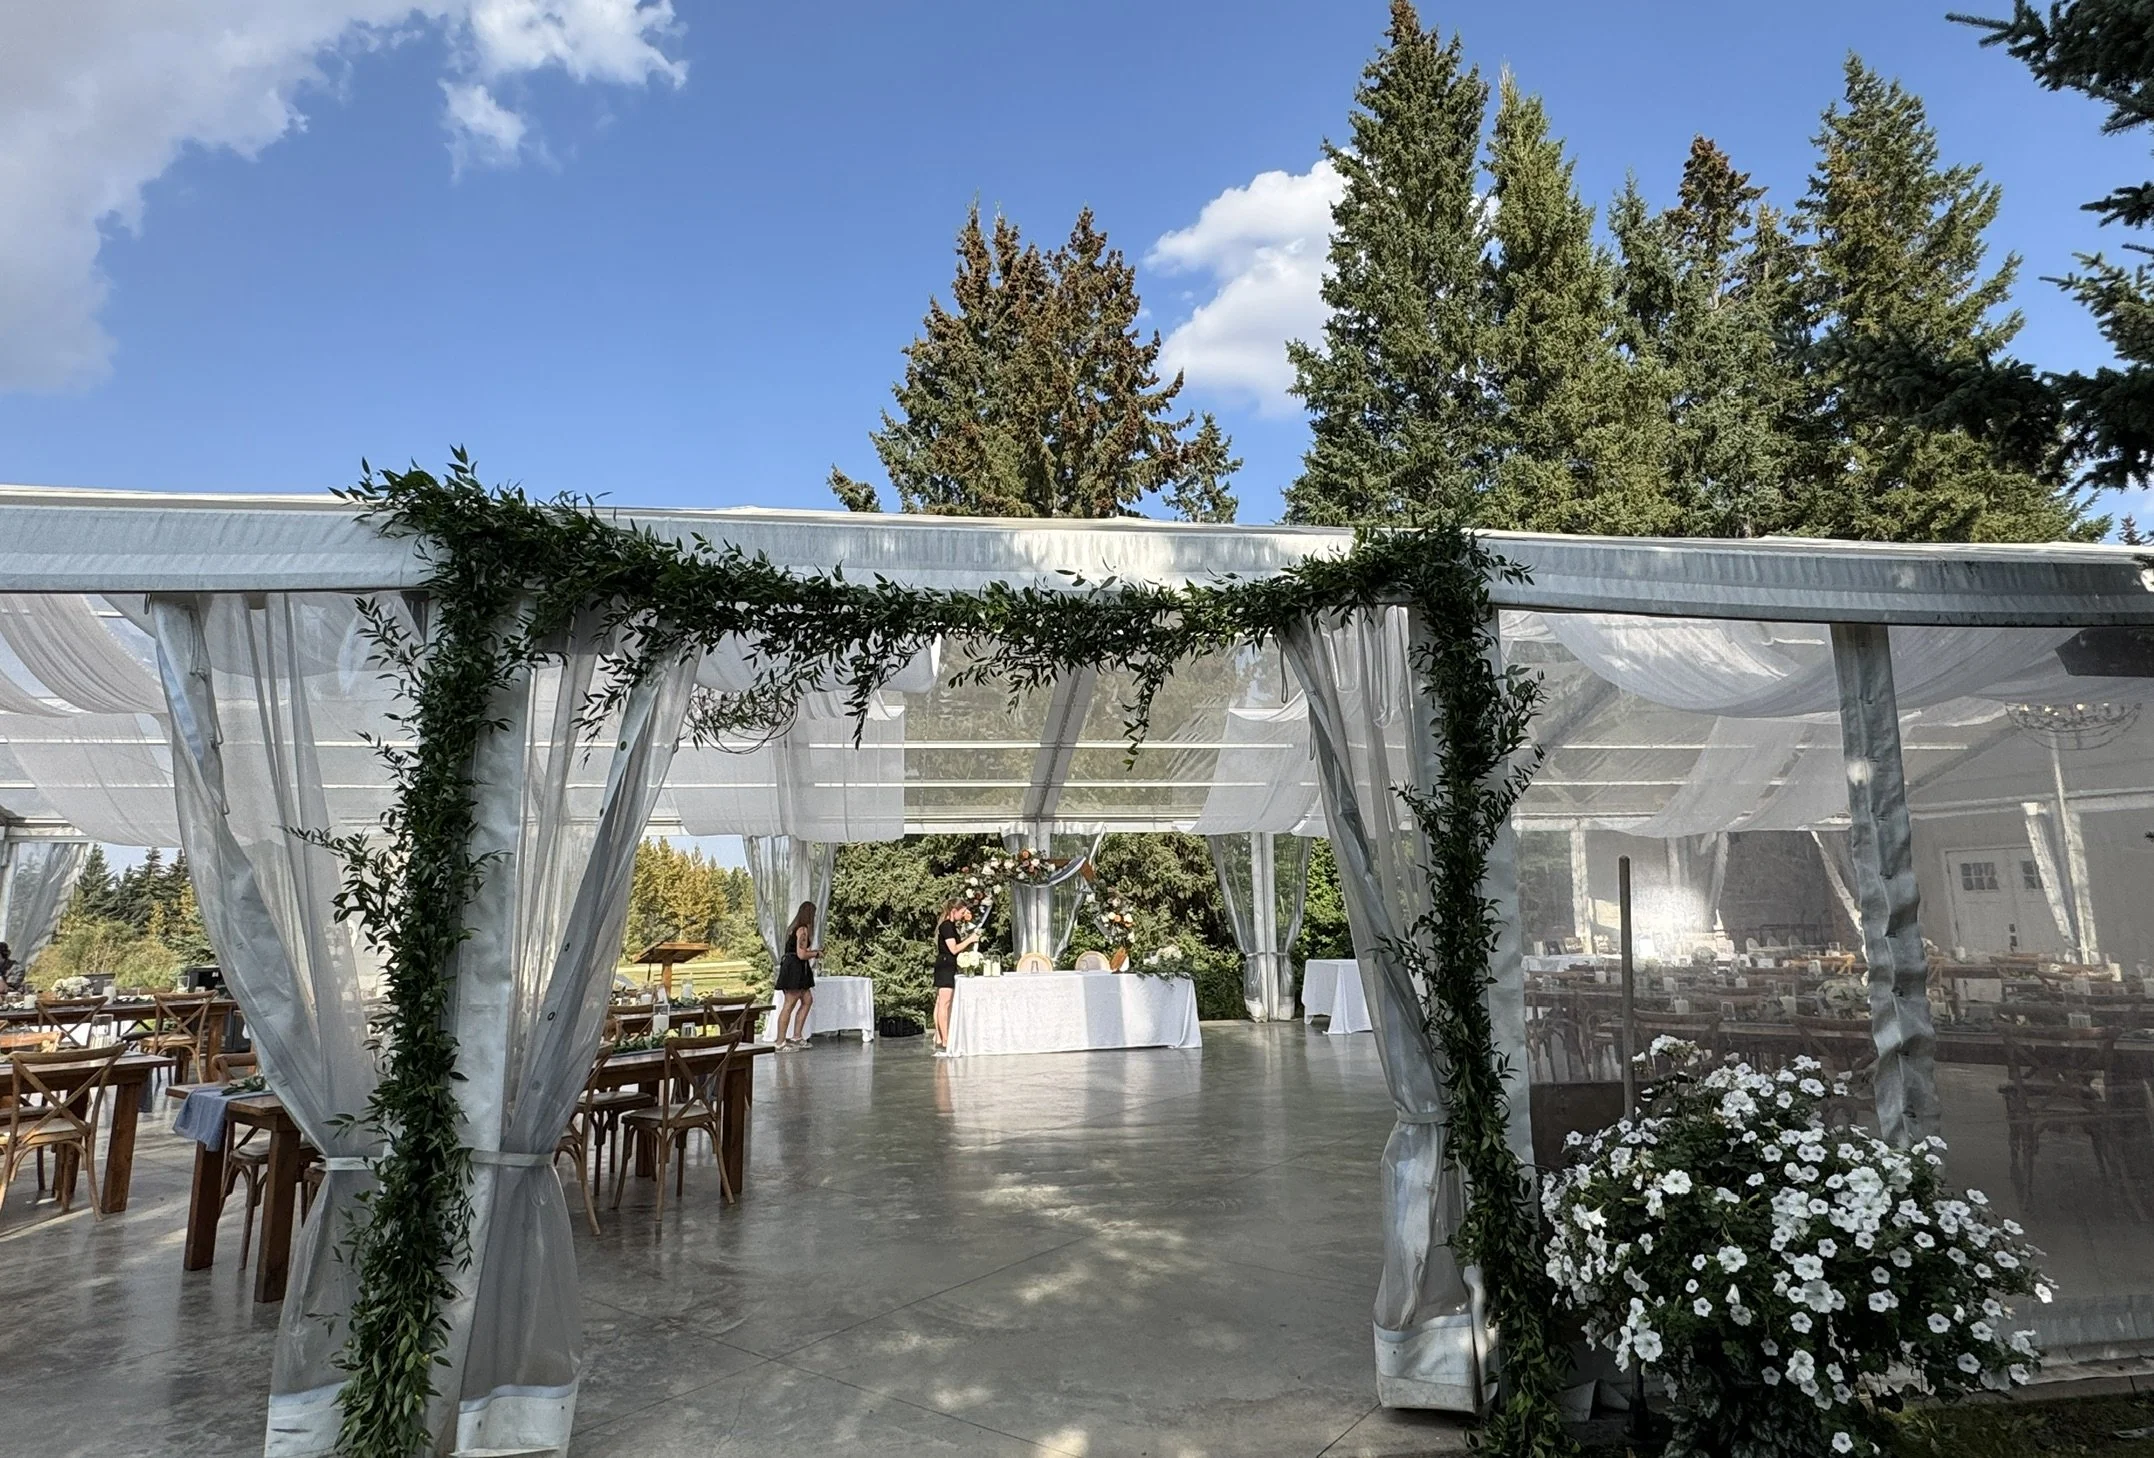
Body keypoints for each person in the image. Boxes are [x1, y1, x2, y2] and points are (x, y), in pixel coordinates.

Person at [932, 898, 978, 1057]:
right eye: (962, 912)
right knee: (944, 1003)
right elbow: (953, 949)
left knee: (940, 1002)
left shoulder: (950, 926)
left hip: (946, 964)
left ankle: (939, 1037)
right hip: (946, 965)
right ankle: (946, 1040)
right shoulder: (947, 926)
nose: (963, 915)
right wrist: (970, 939)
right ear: (953, 911)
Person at [772, 902, 820, 1051]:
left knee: (807, 999)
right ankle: (780, 1041)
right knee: (789, 1004)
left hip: (797, 967)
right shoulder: (802, 930)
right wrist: (816, 954)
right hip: (794, 969)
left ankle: (797, 1036)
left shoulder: (794, 928)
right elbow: (801, 954)